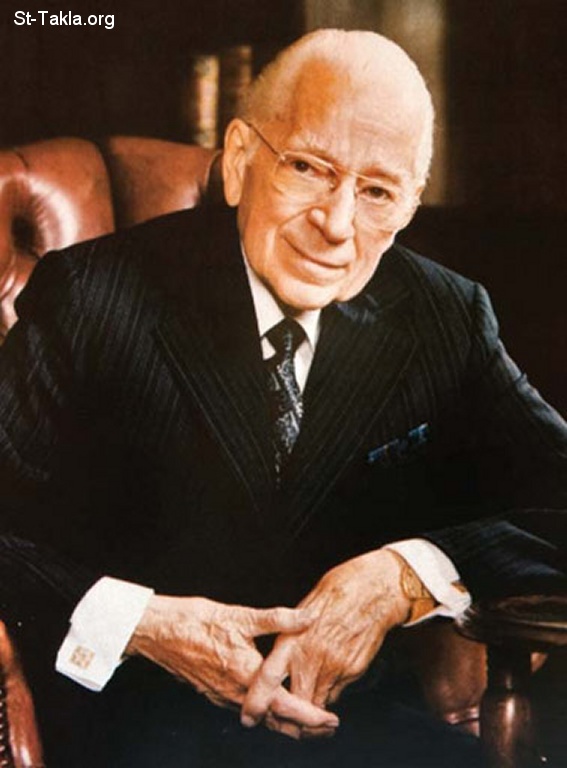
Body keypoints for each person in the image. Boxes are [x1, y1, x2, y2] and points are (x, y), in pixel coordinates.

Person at [0, 28, 565, 768]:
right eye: (308, 168)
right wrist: (141, 622)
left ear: (409, 206)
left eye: (377, 191)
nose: (336, 225)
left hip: (358, 734)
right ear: (240, 160)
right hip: (135, 727)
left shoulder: (445, 315)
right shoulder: (92, 296)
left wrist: (406, 576)